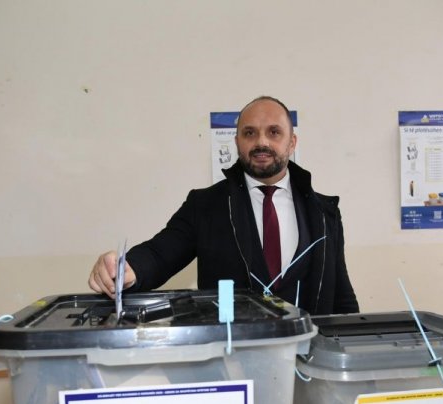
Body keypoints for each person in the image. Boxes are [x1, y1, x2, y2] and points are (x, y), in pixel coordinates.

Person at [88, 96, 359, 314]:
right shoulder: (205, 205)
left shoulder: (325, 213)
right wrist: (125, 269)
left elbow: (342, 297)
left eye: (274, 132)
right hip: (231, 356)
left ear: (292, 142)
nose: (261, 142)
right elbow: (159, 255)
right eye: (249, 133)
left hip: (309, 356)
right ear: (237, 142)